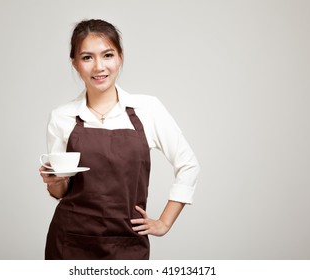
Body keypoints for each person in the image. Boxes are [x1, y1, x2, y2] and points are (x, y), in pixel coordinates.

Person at [39, 19, 199, 260]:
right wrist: (52, 181)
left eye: (107, 55)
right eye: (87, 57)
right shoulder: (62, 117)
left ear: (120, 57)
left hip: (127, 242)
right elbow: (61, 190)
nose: (99, 67)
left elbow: (189, 165)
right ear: (75, 63)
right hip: (71, 241)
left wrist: (164, 222)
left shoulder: (148, 109)